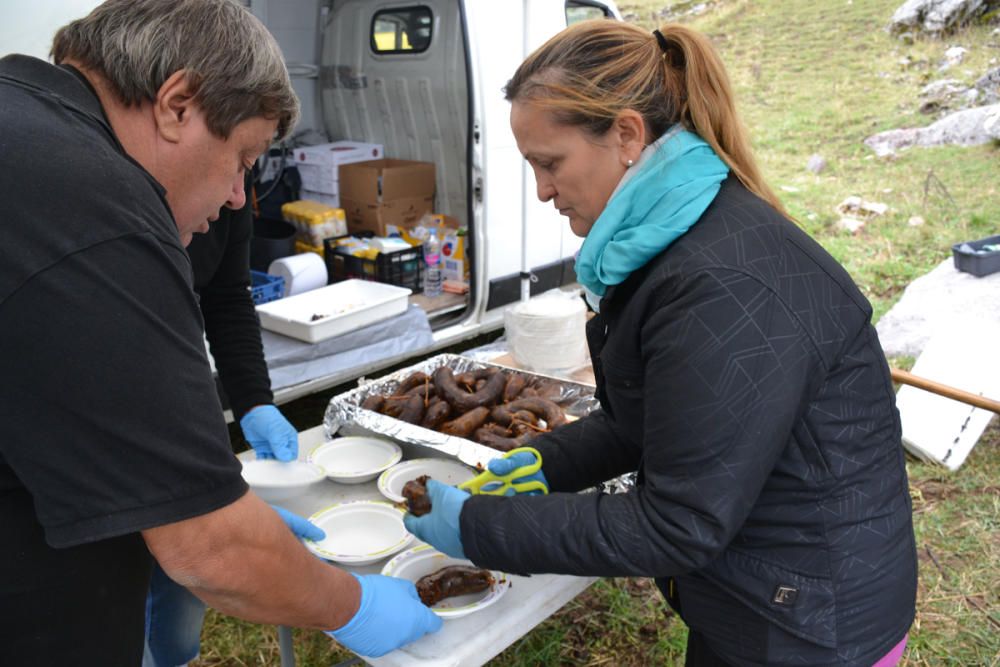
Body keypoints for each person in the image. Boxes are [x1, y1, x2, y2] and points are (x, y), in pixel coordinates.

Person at [404, 19, 917, 667]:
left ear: (626, 134)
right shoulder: (669, 239)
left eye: (550, 162)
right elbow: (655, 418)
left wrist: (478, 528)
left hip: (814, 624)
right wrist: (551, 462)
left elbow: (678, 522)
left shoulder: (719, 286)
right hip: (765, 596)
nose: (542, 190)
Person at [0, 1, 439, 664]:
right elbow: (210, 549)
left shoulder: (25, 117)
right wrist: (352, 605)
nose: (240, 196)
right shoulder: (97, 212)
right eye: (243, 158)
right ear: (177, 104)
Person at [143, 178, 317, 667]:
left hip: (181, 395)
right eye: (237, 162)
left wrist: (254, 401)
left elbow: (229, 296)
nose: (241, 197)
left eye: (252, 168)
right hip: (118, 416)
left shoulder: (231, 184)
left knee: (178, 602)